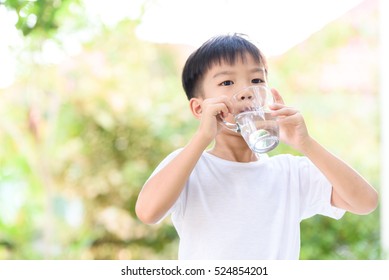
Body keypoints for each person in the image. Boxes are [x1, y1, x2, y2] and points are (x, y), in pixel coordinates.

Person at [135, 33, 378, 260]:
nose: (245, 93)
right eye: (228, 82)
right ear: (199, 108)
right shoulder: (189, 166)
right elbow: (147, 212)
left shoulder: (290, 173)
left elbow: (365, 202)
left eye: (256, 80)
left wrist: (307, 144)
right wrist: (201, 138)